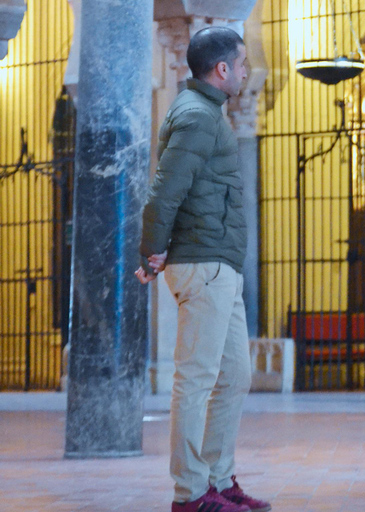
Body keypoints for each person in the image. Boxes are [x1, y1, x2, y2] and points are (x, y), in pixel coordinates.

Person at [134, 26, 271, 512]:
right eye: (243, 64)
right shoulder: (196, 117)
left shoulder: (207, 113)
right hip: (203, 263)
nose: (246, 73)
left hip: (220, 264)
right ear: (222, 69)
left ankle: (217, 478)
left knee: (234, 374)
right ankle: (190, 493)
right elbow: (164, 189)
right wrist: (151, 250)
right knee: (195, 380)